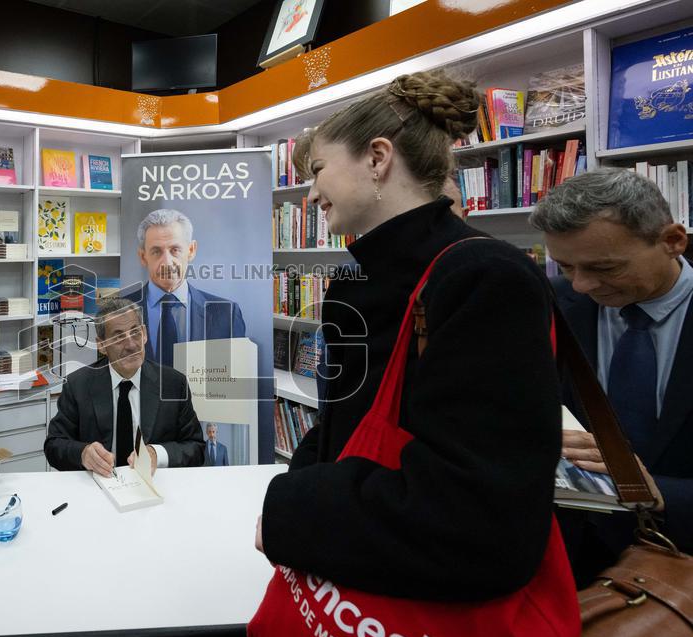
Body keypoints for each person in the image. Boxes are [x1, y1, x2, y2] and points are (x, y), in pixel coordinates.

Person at [256, 71, 571, 607]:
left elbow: (479, 518)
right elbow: (342, 427)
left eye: (317, 171)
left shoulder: (486, 279)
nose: (309, 195)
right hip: (354, 584)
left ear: (378, 158)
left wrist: (294, 511)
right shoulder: (358, 281)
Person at [531, 167, 693, 585]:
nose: (583, 285)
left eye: (605, 268)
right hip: (570, 559)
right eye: (566, 266)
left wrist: (660, 491)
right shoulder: (553, 303)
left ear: (672, 241)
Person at [45, 297, 205, 474]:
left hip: (155, 485)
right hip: (98, 487)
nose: (131, 345)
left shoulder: (173, 384)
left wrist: (157, 454)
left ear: (144, 334)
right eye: (119, 336)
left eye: (135, 332)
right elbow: (54, 445)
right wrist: (83, 454)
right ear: (101, 345)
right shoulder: (78, 385)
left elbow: (196, 448)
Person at [122, 208, 246, 367]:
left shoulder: (226, 313)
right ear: (143, 256)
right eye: (156, 251)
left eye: (175, 250)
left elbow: (237, 381)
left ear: (191, 250)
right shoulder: (115, 313)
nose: (167, 262)